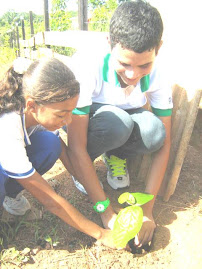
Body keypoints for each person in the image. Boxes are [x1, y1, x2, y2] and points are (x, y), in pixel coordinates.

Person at [66, 0, 173, 248]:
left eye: (144, 65)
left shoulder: (159, 74)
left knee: (154, 132)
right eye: (124, 63)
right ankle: (83, 170)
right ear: (109, 44)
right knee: (118, 124)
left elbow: (165, 144)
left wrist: (147, 209)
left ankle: (115, 154)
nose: (133, 75)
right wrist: (105, 211)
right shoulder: (87, 65)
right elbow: (75, 143)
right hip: (88, 121)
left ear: (158, 48)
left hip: (123, 119)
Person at [0, 57, 121, 249]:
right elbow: (51, 201)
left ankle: (9, 196)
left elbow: (72, 164)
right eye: (61, 114)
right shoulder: (7, 128)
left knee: (51, 144)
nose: (68, 121)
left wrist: (104, 210)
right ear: (32, 105)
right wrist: (100, 234)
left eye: (71, 112)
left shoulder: (34, 111)